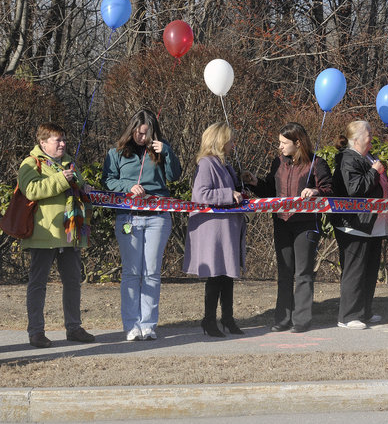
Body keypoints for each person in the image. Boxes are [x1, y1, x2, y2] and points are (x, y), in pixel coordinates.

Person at [243, 122, 333, 333]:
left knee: (303, 272)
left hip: (306, 224)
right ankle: (282, 319)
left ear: (298, 142)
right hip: (281, 222)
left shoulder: (316, 163)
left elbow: (329, 188)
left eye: (284, 143)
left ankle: (301, 320)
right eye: (279, 142)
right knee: (284, 272)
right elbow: (270, 190)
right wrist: (255, 183)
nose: (280, 147)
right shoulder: (278, 163)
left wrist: (315, 192)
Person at [102, 109, 182, 341]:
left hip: (158, 216)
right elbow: (107, 180)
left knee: (151, 272)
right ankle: (131, 324)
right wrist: (127, 187)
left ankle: (148, 324)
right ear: (131, 130)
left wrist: (166, 152)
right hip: (129, 216)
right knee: (131, 271)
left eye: (146, 133)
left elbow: (174, 176)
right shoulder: (116, 153)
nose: (141, 137)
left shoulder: (161, 149)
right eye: (138, 132)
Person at [20, 123, 95, 348]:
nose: (62, 144)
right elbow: (31, 190)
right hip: (44, 234)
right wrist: (62, 179)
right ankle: (36, 332)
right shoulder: (31, 163)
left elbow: (76, 186)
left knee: (73, 282)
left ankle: (74, 328)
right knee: (38, 284)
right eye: (57, 140)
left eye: (64, 140)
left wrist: (85, 188)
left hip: (70, 233)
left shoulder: (69, 162)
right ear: (43, 143)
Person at [183, 122, 247, 337]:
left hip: (226, 228)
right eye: (230, 140)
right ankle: (209, 320)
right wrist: (229, 195)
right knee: (215, 276)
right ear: (220, 141)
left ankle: (227, 318)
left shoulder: (224, 165)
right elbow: (201, 194)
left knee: (227, 275)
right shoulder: (206, 164)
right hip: (213, 230)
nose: (233, 144)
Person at [331, 121, 388, 330]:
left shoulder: (368, 157)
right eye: (368, 133)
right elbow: (355, 189)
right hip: (354, 224)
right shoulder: (348, 159)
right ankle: (347, 316)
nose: (372, 136)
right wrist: (374, 171)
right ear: (355, 139)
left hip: (373, 224)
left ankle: (364, 311)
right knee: (355, 270)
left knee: (370, 270)